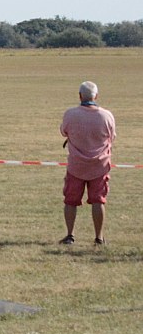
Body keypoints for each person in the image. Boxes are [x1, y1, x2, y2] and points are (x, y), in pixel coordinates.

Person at [60, 81, 116, 245]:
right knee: (98, 201)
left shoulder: (70, 114)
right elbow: (112, 137)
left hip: (76, 166)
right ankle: (99, 237)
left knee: (70, 201)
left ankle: (70, 235)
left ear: (80, 96)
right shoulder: (106, 115)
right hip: (100, 166)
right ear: (96, 96)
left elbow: (63, 131)